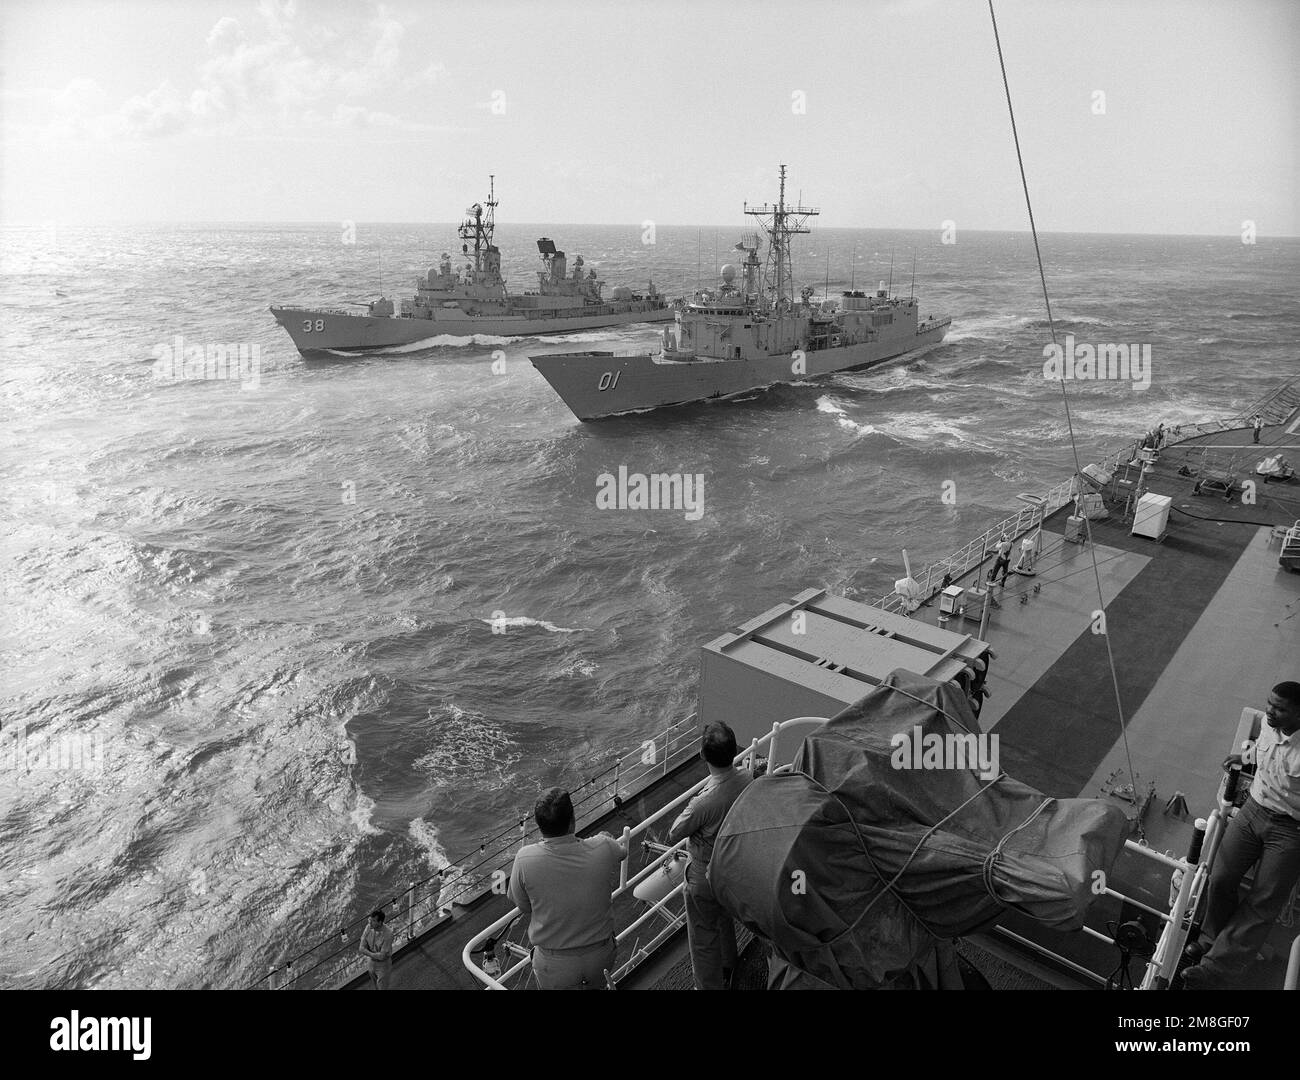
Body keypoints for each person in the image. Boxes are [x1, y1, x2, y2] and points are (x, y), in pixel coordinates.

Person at [1182, 681, 1300, 989]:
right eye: (1269, 704)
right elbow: (1264, 751)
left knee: (1263, 901)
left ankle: (1216, 966)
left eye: (1279, 708)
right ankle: (1211, 939)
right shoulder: (1269, 725)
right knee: (1220, 877)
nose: (1270, 711)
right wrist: (1243, 758)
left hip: (1290, 829)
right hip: (1253, 810)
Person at [508, 788, 626, 989]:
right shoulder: (603, 846)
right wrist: (603, 839)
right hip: (601, 956)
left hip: (554, 966)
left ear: (539, 826)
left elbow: (524, 906)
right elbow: (622, 852)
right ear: (572, 819)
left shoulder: (525, 858)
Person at [668, 721, 752, 990]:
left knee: (703, 936)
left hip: (703, 872)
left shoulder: (702, 803)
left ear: (703, 755)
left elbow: (674, 832)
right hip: (732, 864)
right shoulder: (747, 778)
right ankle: (730, 965)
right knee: (724, 915)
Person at [359, 909, 393, 990]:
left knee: (382, 987)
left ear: (380, 922)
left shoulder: (388, 934)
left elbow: (381, 956)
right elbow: (361, 948)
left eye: (373, 920)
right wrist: (373, 955)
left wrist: (367, 952)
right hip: (371, 962)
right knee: (375, 986)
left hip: (383, 965)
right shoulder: (368, 927)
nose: (370, 922)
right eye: (370, 919)